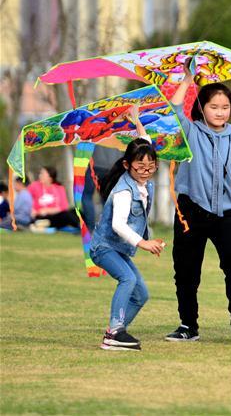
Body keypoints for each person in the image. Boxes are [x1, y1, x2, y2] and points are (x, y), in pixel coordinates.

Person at [165, 66, 231, 343]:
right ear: (202, 107)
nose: (220, 112)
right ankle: (188, 325)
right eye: (214, 106)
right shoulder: (189, 130)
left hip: (225, 214)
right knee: (186, 270)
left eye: (225, 107)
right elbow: (174, 112)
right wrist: (187, 81)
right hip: (190, 211)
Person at [90, 106, 166, 351]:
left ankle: (116, 331)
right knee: (128, 278)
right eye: (140, 167)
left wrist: (136, 121)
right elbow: (118, 224)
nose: (145, 171)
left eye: (151, 166)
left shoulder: (141, 177)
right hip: (104, 247)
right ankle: (114, 332)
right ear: (127, 165)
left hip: (118, 249)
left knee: (141, 294)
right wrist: (144, 243)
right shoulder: (124, 190)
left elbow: (144, 141)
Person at [27, 166, 80, 230]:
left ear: (50, 177)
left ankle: (81, 225)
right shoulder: (34, 186)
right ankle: (79, 226)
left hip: (56, 214)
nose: (40, 176)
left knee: (75, 211)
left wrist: (49, 210)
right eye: (40, 173)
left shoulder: (59, 188)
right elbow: (26, 199)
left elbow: (64, 207)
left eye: (42, 174)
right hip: (41, 216)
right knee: (66, 216)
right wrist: (33, 210)